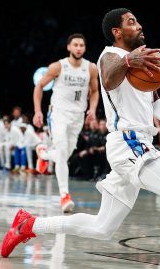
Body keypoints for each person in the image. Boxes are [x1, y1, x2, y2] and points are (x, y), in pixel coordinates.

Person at [1, 8, 160, 269]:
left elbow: (153, 98)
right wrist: (130, 61)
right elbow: (107, 77)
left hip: (135, 144)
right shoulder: (110, 56)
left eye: (138, 20)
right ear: (117, 32)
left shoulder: (137, 60)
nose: (139, 25)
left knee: (102, 227)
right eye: (131, 22)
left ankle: (29, 224)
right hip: (128, 141)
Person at [32, 33, 99, 212]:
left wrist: (92, 109)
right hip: (58, 115)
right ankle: (64, 196)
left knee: (65, 155)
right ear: (69, 47)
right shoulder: (58, 66)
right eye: (75, 45)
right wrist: (38, 111)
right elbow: (39, 86)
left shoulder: (91, 68)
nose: (78, 48)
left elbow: (94, 91)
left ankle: (43, 153)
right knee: (62, 153)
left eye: (81, 45)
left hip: (77, 117)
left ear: (84, 48)